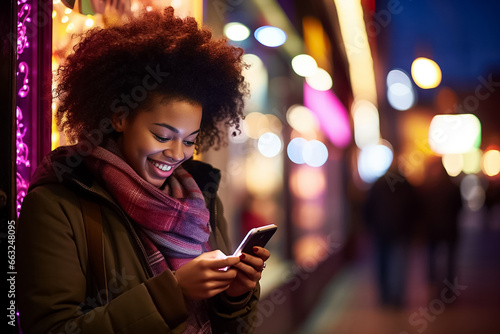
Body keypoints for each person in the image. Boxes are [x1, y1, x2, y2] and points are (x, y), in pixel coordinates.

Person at [17, 7, 269, 334]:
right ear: (120, 117)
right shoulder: (57, 205)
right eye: (162, 136)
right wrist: (174, 292)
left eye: (190, 140)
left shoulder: (201, 198)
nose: (178, 154)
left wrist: (234, 297)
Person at [363, 163, 420, 308]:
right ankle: (398, 297)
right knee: (400, 265)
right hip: (402, 232)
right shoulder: (407, 185)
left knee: (382, 264)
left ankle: (384, 295)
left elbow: (368, 207)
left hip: (381, 231)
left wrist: (370, 226)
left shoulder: (378, 184)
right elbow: (416, 209)